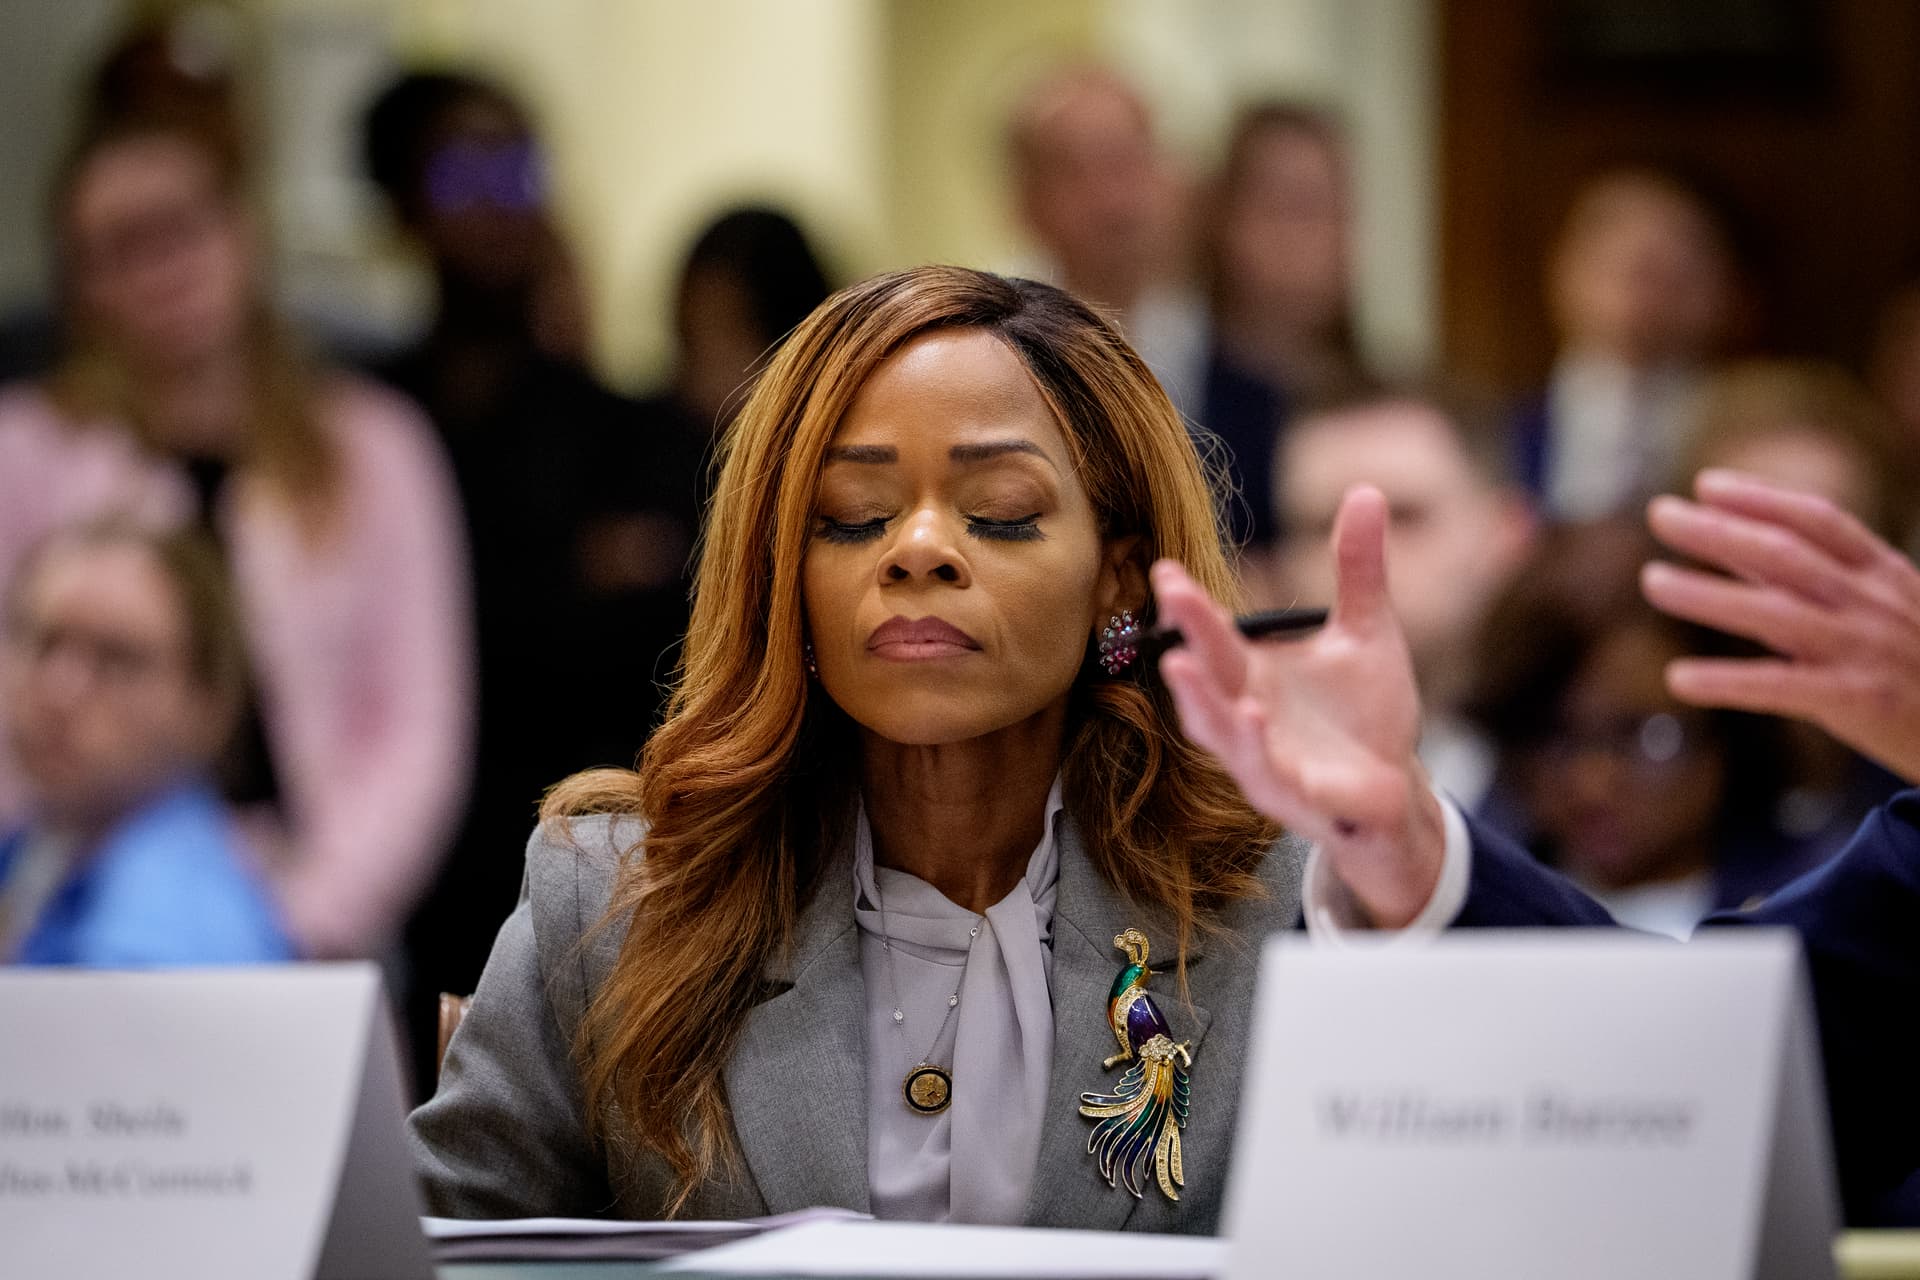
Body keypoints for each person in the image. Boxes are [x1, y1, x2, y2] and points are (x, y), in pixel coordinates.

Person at [411, 266, 1463, 1229]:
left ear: (1121, 577)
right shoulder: (609, 903)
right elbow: (421, 1254)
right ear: (788, 577)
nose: (917, 549)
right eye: (855, 515)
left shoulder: (1287, 899)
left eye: (1000, 513)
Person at [1162, 468, 1920, 1224]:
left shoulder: (1807, 852)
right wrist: (1412, 852)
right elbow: (1749, 1057)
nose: (1595, 781)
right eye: (1560, 739)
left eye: (1645, 739)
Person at [0, 113, 473, 961]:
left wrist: (296, 917)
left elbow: (418, 731)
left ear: (243, 227)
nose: (162, 270)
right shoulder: (28, 450)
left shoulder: (375, 445)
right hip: (77, 898)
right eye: (120, 247)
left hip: (316, 910)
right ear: (77, 284)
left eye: (182, 226)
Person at [363, 69, 705, 1085]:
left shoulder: (630, 426)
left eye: (519, 169)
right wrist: (565, 581)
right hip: (409, 872)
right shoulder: (365, 427)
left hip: (586, 857)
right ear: (402, 204)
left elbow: (649, 638)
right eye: (466, 171)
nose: (498, 201)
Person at [0, 522, 292, 966]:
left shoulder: (164, 940)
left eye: (118, 659)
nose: (58, 690)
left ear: (209, 705)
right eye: (45, 641)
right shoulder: (43, 846)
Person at [1269, 391, 1535, 809]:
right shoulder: (1226, 799)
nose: (1352, 553)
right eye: (1319, 526)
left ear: (1508, 533)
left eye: (1405, 517)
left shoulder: (1587, 776)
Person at [1512, 167, 1747, 522]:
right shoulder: (1497, 434)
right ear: (1562, 270)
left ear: (1725, 287)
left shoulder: (1750, 445)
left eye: (1678, 266)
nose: (1649, 291)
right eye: (1624, 262)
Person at [1195, 102, 1365, 551]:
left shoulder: (1377, 398)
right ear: (1221, 219)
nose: (1306, 237)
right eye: (1284, 206)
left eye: (1326, 206)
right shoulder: (1175, 392)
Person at [1004, 65, 1206, 416]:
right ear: (1027, 201)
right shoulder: (993, 344)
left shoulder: (1223, 342)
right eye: (1076, 170)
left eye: (1128, 161)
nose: (1113, 200)